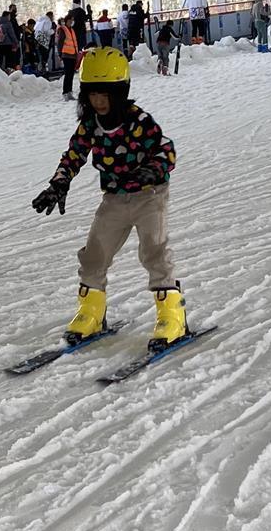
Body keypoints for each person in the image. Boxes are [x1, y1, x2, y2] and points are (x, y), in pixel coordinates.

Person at [30, 47, 185, 351]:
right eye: (91, 94)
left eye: (105, 94)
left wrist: (150, 171)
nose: (98, 101)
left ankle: (172, 314)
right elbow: (73, 154)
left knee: (153, 250)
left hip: (148, 196)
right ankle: (91, 311)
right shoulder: (90, 124)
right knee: (95, 253)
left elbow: (166, 150)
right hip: (114, 197)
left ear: (120, 92)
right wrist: (59, 184)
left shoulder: (138, 120)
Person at [58, 14, 79, 99]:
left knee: (71, 75)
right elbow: (60, 42)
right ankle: (65, 92)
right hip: (66, 55)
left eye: (72, 20)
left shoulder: (72, 30)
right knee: (67, 74)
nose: (71, 22)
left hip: (73, 55)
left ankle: (69, 92)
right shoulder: (63, 30)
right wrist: (60, 54)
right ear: (66, 21)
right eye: (70, 20)